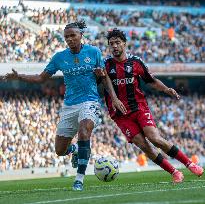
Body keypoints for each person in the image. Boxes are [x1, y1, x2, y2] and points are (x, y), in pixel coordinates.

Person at [3, 21, 126, 191]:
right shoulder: (59, 57)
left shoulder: (94, 52)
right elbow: (41, 78)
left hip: (89, 101)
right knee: (60, 150)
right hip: (69, 105)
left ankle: (79, 179)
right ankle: (74, 149)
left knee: (84, 131)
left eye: (72, 35)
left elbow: (104, 77)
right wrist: (20, 77)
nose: (69, 39)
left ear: (80, 35)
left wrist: (114, 98)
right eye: (66, 36)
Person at [103, 28, 204, 183]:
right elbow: (97, 81)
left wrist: (165, 89)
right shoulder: (106, 65)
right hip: (120, 115)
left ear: (124, 43)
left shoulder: (135, 62)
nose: (114, 46)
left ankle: (189, 164)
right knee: (143, 145)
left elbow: (151, 81)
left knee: (154, 138)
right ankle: (174, 172)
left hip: (138, 107)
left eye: (117, 42)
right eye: (111, 44)